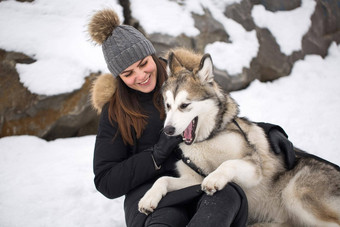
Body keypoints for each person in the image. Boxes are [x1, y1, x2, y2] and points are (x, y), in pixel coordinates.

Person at [88, 9, 295, 227]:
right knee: (166, 221)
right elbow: (106, 181)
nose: (140, 76)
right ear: (119, 77)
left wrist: (267, 131)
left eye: (143, 63)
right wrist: (155, 155)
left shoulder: (185, 79)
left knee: (226, 195)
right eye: (128, 73)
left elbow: (217, 114)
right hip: (153, 194)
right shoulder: (115, 112)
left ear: (151, 54)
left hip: (202, 180)